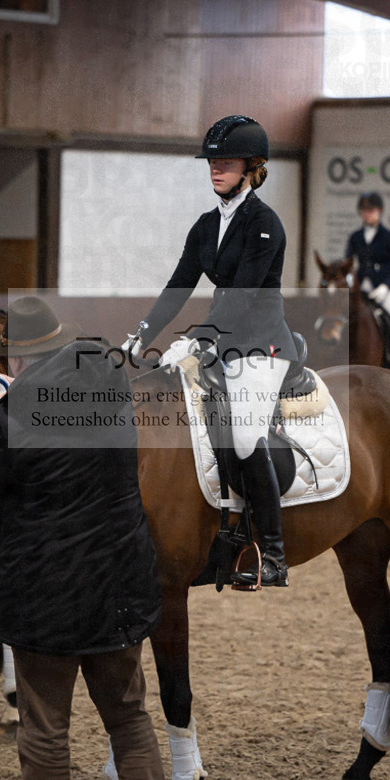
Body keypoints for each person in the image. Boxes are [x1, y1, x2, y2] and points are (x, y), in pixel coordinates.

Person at [0, 296, 175, 780]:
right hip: (120, 584)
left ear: (21, 357)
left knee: (46, 729)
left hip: (47, 591)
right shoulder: (112, 389)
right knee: (129, 718)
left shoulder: (15, 409)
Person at [122, 114, 306, 589]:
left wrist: (197, 338)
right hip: (223, 342)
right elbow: (179, 284)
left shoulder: (265, 224)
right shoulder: (207, 226)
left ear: (252, 167)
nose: (215, 168)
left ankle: (273, 553)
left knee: (244, 435)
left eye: (226, 161)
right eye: (212, 161)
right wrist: (141, 335)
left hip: (262, 346)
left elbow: (243, 294)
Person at [345, 192, 390, 363]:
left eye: (371, 210)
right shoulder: (355, 237)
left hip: (383, 290)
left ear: (380, 211)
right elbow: (347, 264)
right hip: (360, 290)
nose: (367, 214)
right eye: (364, 211)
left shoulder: (389, 237)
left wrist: (385, 286)